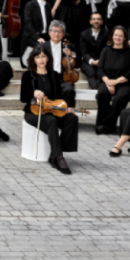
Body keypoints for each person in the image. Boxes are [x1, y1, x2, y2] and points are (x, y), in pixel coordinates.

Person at [20, 44, 77, 174]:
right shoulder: (28, 75)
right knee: (52, 121)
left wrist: (64, 108)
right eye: (38, 57)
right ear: (33, 59)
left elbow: (57, 97)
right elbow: (23, 98)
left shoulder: (54, 75)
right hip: (33, 112)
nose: (41, 59)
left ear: (48, 58)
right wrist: (33, 93)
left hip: (52, 110)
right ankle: (58, 157)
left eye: (43, 56)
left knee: (72, 119)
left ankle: (54, 153)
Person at [95, 26, 130, 135]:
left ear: (125, 38)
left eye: (120, 36)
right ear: (112, 36)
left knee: (119, 98)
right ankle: (106, 126)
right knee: (102, 94)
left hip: (126, 83)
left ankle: (103, 125)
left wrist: (116, 82)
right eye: (116, 35)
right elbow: (100, 69)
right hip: (107, 81)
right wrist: (108, 82)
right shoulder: (105, 50)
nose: (118, 37)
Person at [21, 0, 52, 65]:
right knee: (42, 47)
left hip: (45, 35)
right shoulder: (30, 5)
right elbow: (28, 23)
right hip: (32, 36)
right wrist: (37, 37)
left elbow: (50, 21)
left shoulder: (48, 5)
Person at [78, 12, 109, 89]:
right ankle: (96, 89)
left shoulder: (107, 33)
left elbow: (108, 50)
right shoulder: (84, 34)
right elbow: (84, 52)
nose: (96, 21)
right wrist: (92, 61)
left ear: (102, 22)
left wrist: (101, 61)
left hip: (103, 61)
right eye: (94, 19)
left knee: (104, 73)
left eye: (98, 19)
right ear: (90, 21)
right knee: (91, 73)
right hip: (88, 61)